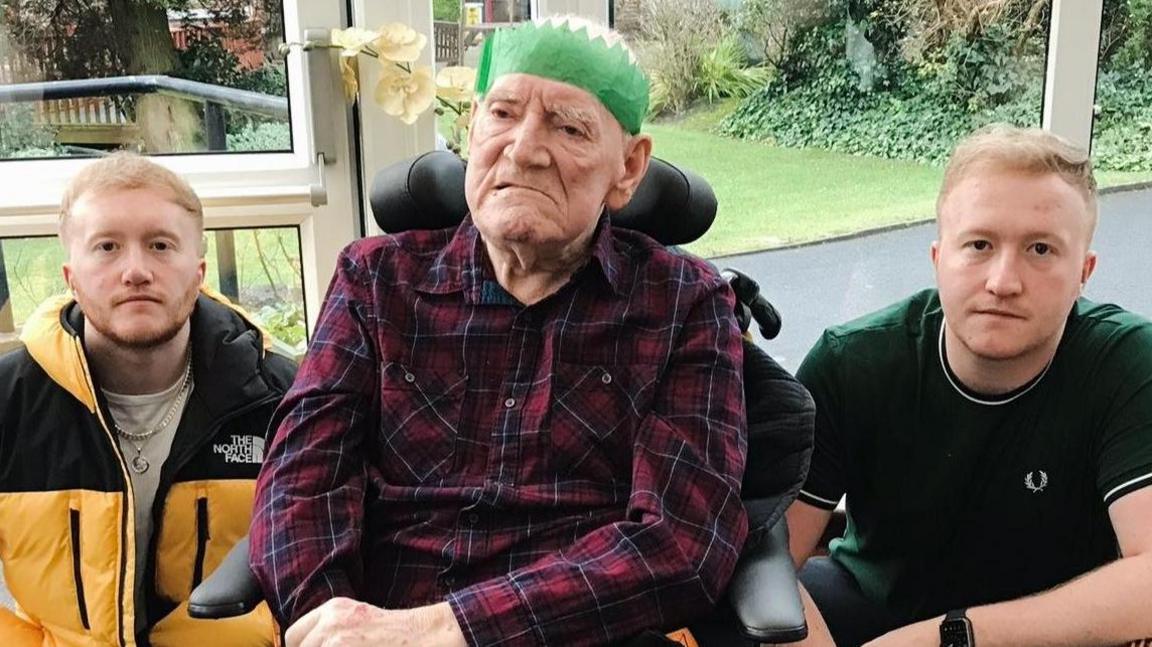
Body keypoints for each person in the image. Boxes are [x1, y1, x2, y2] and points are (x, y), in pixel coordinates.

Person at [249, 16, 749, 647]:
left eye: (568, 127)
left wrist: (452, 629)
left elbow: (682, 540)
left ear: (628, 168)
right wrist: (335, 624)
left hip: (583, 634)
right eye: (503, 115)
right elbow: (300, 484)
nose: (524, 149)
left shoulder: (685, 304)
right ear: (471, 131)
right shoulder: (376, 281)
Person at [785, 125, 1152, 646]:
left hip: (1051, 627)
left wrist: (953, 635)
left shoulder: (1126, 361)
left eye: (1041, 250)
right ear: (939, 259)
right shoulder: (852, 361)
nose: (1003, 281)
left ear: (1083, 273)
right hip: (874, 603)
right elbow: (765, 555)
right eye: (979, 244)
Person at [0, 153, 296, 647]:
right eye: (107, 246)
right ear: (71, 276)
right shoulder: (9, 403)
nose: (135, 271)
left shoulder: (282, 397)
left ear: (198, 270)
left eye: (160, 245)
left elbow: (324, 565)